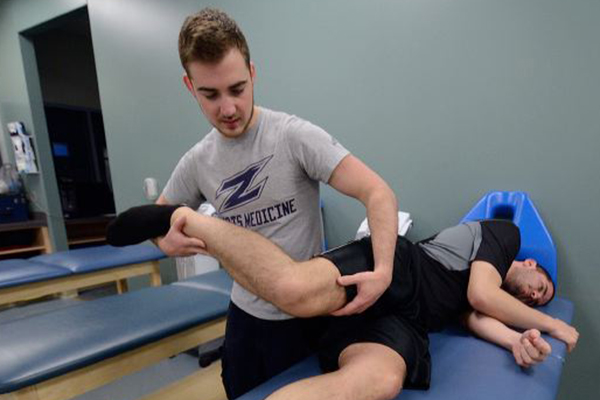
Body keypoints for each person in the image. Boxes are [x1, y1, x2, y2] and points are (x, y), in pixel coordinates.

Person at [156, 7, 399, 398]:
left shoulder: (293, 137)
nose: (229, 108)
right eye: (210, 95)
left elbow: (378, 192)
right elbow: (158, 215)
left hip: (307, 317)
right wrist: (162, 241)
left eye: (237, 89)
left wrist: (384, 269)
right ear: (189, 86)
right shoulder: (198, 162)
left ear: (253, 74)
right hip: (246, 323)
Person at [108, 205, 579, 400]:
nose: (533, 296)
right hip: (397, 266)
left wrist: (519, 339)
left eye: (537, 300)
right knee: (293, 289)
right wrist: (555, 325)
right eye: (540, 289)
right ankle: (192, 219)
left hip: (405, 319)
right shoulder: (506, 235)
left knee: (380, 381)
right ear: (531, 266)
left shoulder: (492, 291)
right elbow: (482, 293)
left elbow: (476, 313)